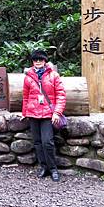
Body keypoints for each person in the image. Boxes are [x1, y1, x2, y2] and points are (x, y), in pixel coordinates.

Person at [22, 49, 66, 182]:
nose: (38, 62)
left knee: (48, 142)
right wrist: (25, 113)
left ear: (45, 61)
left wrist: (57, 112)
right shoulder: (28, 77)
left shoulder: (54, 75)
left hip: (48, 114)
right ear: (32, 61)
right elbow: (25, 97)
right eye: (36, 60)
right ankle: (43, 167)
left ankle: (53, 169)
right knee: (37, 142)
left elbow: (61, 95)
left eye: (40, 59)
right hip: (33, 113)